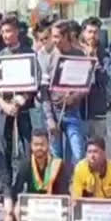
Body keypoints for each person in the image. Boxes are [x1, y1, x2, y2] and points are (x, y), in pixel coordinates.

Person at [0, 16, 36, 169]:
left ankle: (30, 185)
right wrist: (5, 105)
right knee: (4, 150)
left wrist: (19, 101)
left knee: (28, 148)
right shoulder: (0, 57)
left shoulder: (29, 54)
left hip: (24, 109)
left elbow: (34, 85)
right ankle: (7, 186)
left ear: (17, 31)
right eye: (3, 31)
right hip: (4, 110)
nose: (6, 35)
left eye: (9, 31)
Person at [44, 20, 87, 163]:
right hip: (53, 114)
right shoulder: (48, 57)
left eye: (57, 37)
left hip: (72, 113)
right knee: (56, 160)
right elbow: (44, 91)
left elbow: (85, 87)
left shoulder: (80, 56)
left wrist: (74, 97)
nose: (54, 41)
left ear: (67, 36)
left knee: (78, 155)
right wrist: (50, 118)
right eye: (53, 36)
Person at [71, 136, 111, 209]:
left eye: (95, 151)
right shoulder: (80, 168)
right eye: (89, 152)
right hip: (88, 211)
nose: (92, 156)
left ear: (104, 153)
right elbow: (76, 195)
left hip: (110, 211)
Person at [13, 128, 71, 196]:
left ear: (48, 144)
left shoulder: (58, 165)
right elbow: (16, 190)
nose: (39, 148)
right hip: (32, 203)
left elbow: (63, 193)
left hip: (52, 202)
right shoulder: (25, 164)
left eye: (42, 144)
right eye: (36, 144)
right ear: (31, 145)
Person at [80, 17, 109, 138]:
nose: (92, 35)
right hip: (79, 106)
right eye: (89, 32)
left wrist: (97, 63)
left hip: (98, 106)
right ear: (83, 32)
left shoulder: (104, 53)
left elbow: (106, 79)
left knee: (98, 143)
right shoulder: (76, 51)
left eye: (95, 32)